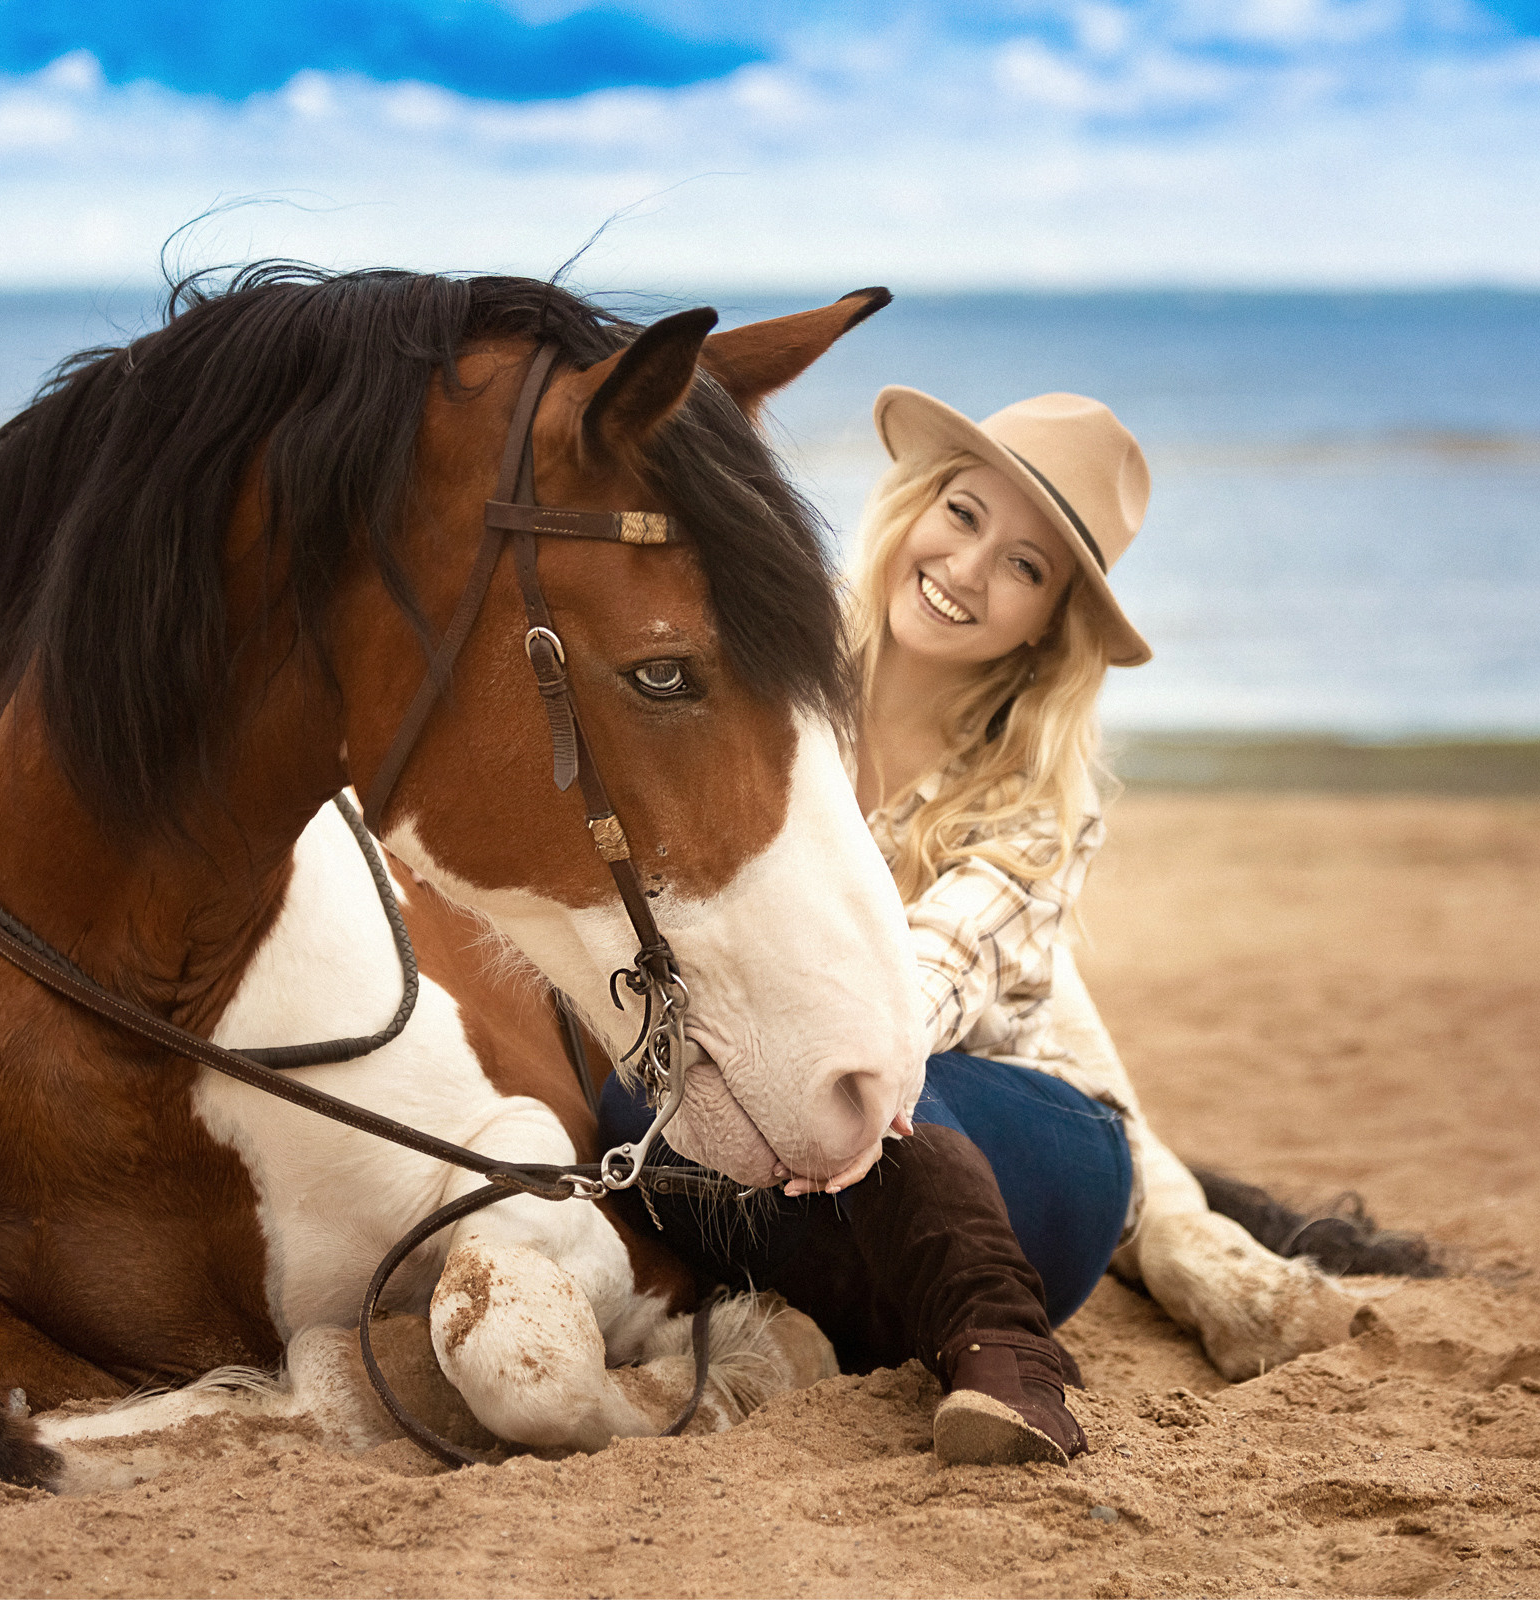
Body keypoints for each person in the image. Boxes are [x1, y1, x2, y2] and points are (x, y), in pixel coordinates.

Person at [602, 386, 1406, 1466]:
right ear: (915, 510)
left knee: (895, 1113)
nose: (970, 570)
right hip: (786, 1143)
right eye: (965, 516)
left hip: (1011, 1136)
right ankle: (832, 1324)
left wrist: (825, 1069)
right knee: (623, 1104)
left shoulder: (1035, 806)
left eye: (1026, 566)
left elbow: (928, 978)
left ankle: (1012, 1358)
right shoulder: (765, 694)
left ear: (1047, 625)